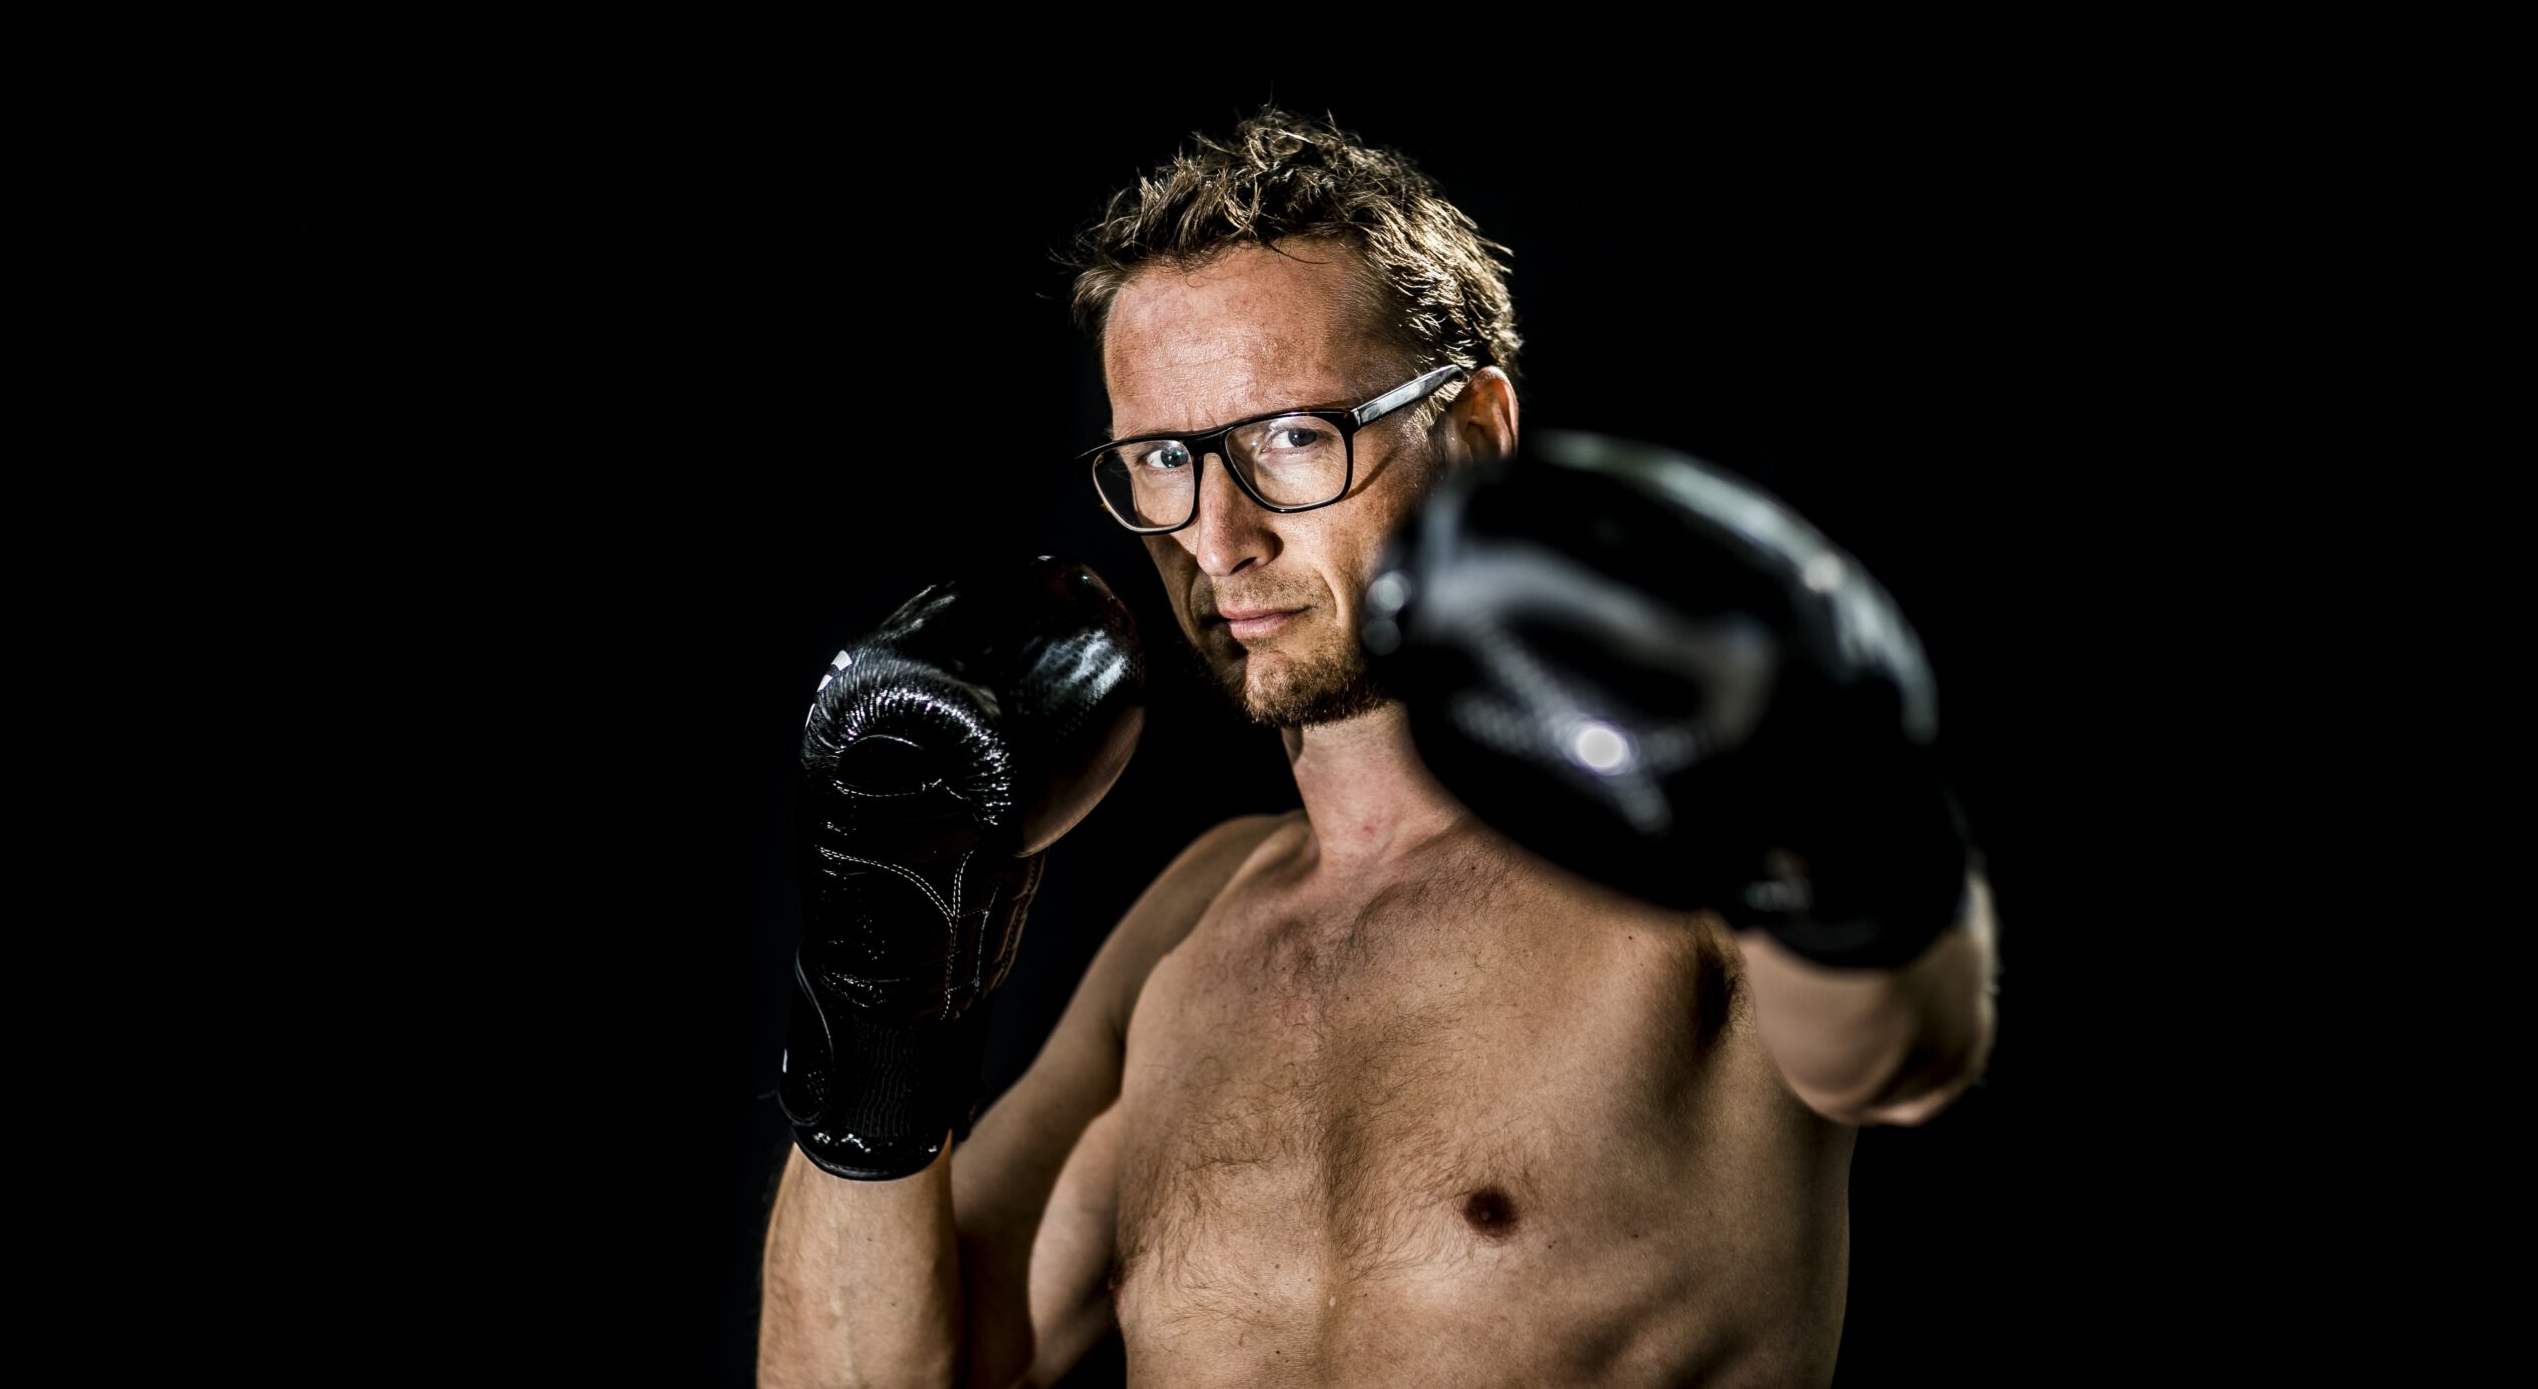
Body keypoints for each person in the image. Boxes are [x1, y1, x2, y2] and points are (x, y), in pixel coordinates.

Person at [758, 108, 2001, 1388]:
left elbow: (1904, 1047)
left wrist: (1828, 810)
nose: (1217, 538)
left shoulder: (1677, 852)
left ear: (1475, 430)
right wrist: (873, 1005)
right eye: (1163, 458)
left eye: (1292, 436)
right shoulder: (1191, 923)